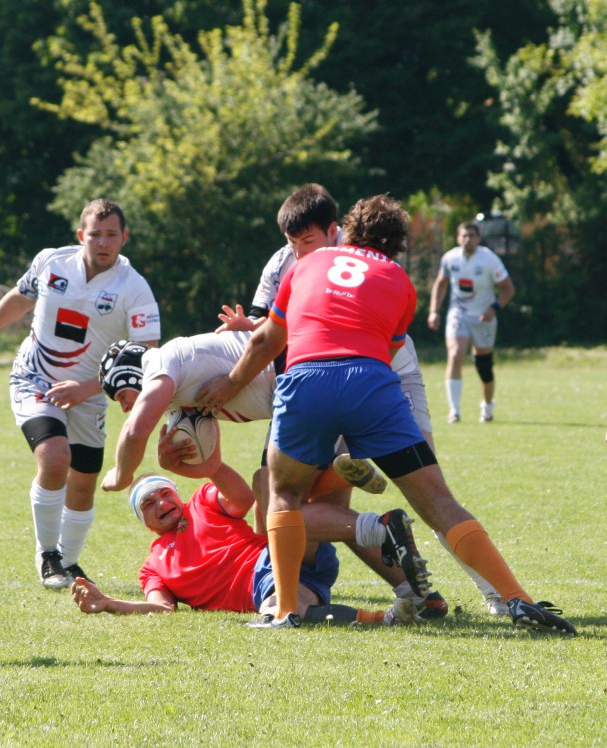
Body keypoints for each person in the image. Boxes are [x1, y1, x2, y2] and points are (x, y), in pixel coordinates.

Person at [196, 195, 575, 635]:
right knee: (437, 500)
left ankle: (284, 612)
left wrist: (230, 384)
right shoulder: (399, 280)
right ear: (396, 246)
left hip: (307, 382)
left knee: (283, 495)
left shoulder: (306, 265)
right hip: (372, 384)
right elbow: (387, 351)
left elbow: (266, 342)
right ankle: (517, 599)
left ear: (346, 229)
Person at [235, 184, 509, 616]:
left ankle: (487, 592)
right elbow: (261, 325)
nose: (298, 250)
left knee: (425, 495)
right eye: (291, 242)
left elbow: (273, 337)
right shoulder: (294, 261)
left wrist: (230, 387)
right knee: (309, 495)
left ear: (336, 230)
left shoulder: (333, 263)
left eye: (306, 241)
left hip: (369, 372)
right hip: (353, 374)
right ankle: (424, 586)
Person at [97, 335, 448, 621]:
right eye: (147, 503)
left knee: (273, 506)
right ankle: (413, 591)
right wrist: (177, 466)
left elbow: (135, 430)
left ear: (130, 376)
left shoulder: (161, 369)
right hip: (318, 386)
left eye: (121, 397)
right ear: (142, 521)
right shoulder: (181, 392)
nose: (126, 407)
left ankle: (373, 523)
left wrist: (120, 474)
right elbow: (211, 462)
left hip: (302, 389)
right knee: (287, 503)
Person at [0, 199, 160, 589]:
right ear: (81, 235)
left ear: (124, 238)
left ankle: (69, 561)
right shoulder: (51, 262)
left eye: (111, 235)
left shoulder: (134, 287)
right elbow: (19, 298)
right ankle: (48, 554)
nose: (103, 242)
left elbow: (145, 351)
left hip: (90, 394)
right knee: (54, 457)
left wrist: (87, 388)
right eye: (95, 234)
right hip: (35, 378)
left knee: (83, 484)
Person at [72, 437, 417, 626]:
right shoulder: (153, 566)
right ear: (143, 522)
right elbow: (162, 609)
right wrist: (109, 603)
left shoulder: (201, 501)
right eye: (148, 504)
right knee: (286, 611)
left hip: (274, 555)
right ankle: (386, 615)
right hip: (278, 583)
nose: (161, 504)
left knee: (264, 479)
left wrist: (213, 468)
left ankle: (342, 470)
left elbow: (240, 498)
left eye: (164, 494)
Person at [427, 221, 515, 423]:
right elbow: (440, 284)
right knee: (456, 354)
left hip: (483, 318)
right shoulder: (450, 258)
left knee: (483, 365)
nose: (468, 240)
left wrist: (493, 308)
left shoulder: (489, 260)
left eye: (472, 236)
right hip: (458, 314)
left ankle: (487, 406)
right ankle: (454, 410)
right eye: (464, 236)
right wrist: (434, 311)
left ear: (478, 238)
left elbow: (508, 288)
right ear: (458, 238)